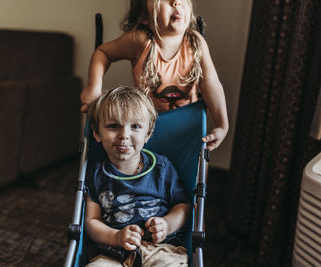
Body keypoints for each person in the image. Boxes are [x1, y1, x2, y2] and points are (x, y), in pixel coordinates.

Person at [81, 0, 229, 151]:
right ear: (144, 15)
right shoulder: (140, 41)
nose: (176, 2)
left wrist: (222, 125)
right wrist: (94, 87)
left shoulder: (196, 42)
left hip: (186, 125)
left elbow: (210, 83)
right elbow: (103, 53)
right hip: (145, 127)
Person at [85, 86, 191, 266]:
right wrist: (115, 236)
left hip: (160, 248)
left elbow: (184, 206)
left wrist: (167, 225)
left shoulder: (161, 167)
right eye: (113, 126)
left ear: (148, 133)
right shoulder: (96, 173)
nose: (124, 135)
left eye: (135, 126)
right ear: (96, 133)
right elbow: (91, 221)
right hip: (113, 251)